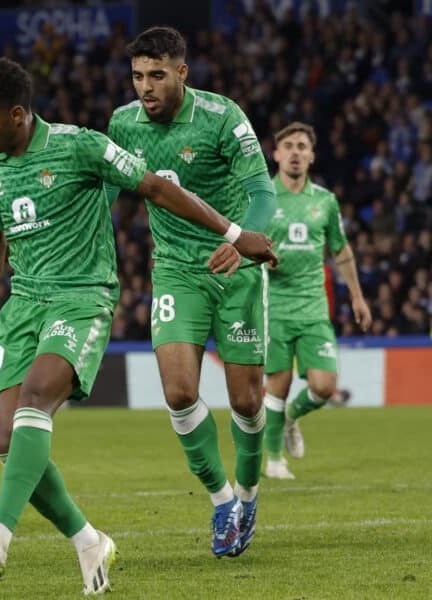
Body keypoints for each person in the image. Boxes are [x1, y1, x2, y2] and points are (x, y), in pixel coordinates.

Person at [0, 57, 276, 594]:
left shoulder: (81, 146)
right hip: (23, 304)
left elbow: (159, 190)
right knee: (8, 436)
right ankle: (87, 540)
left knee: (36, 402)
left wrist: (235, 232)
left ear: (17, 113)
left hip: (81, 298)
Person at [104, 26, 278, 558]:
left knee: (246, 402)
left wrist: (242, 240)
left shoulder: (223, 118)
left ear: (182, 72)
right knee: (179, 391)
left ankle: (249, 494)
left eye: (156, 75)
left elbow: (262, 194)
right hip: (176, 269)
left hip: (236, 271)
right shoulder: (122, 124)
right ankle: (223, 500)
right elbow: (105, 196)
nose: (145, 88)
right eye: (137, 76)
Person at [262, 122, 372, 480]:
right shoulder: (261, 197)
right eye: (288, 146)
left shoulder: (325, 201)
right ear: (276, 154)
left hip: (312, 306)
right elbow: (243, 245)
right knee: (276, 384)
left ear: (311, 155)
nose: (295, 152)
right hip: (273, 304)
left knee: (324, 386)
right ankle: (275, 460)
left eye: (302, 147)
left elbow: (340, 250)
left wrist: (357, 296)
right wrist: (262, 257)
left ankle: (292, 417)